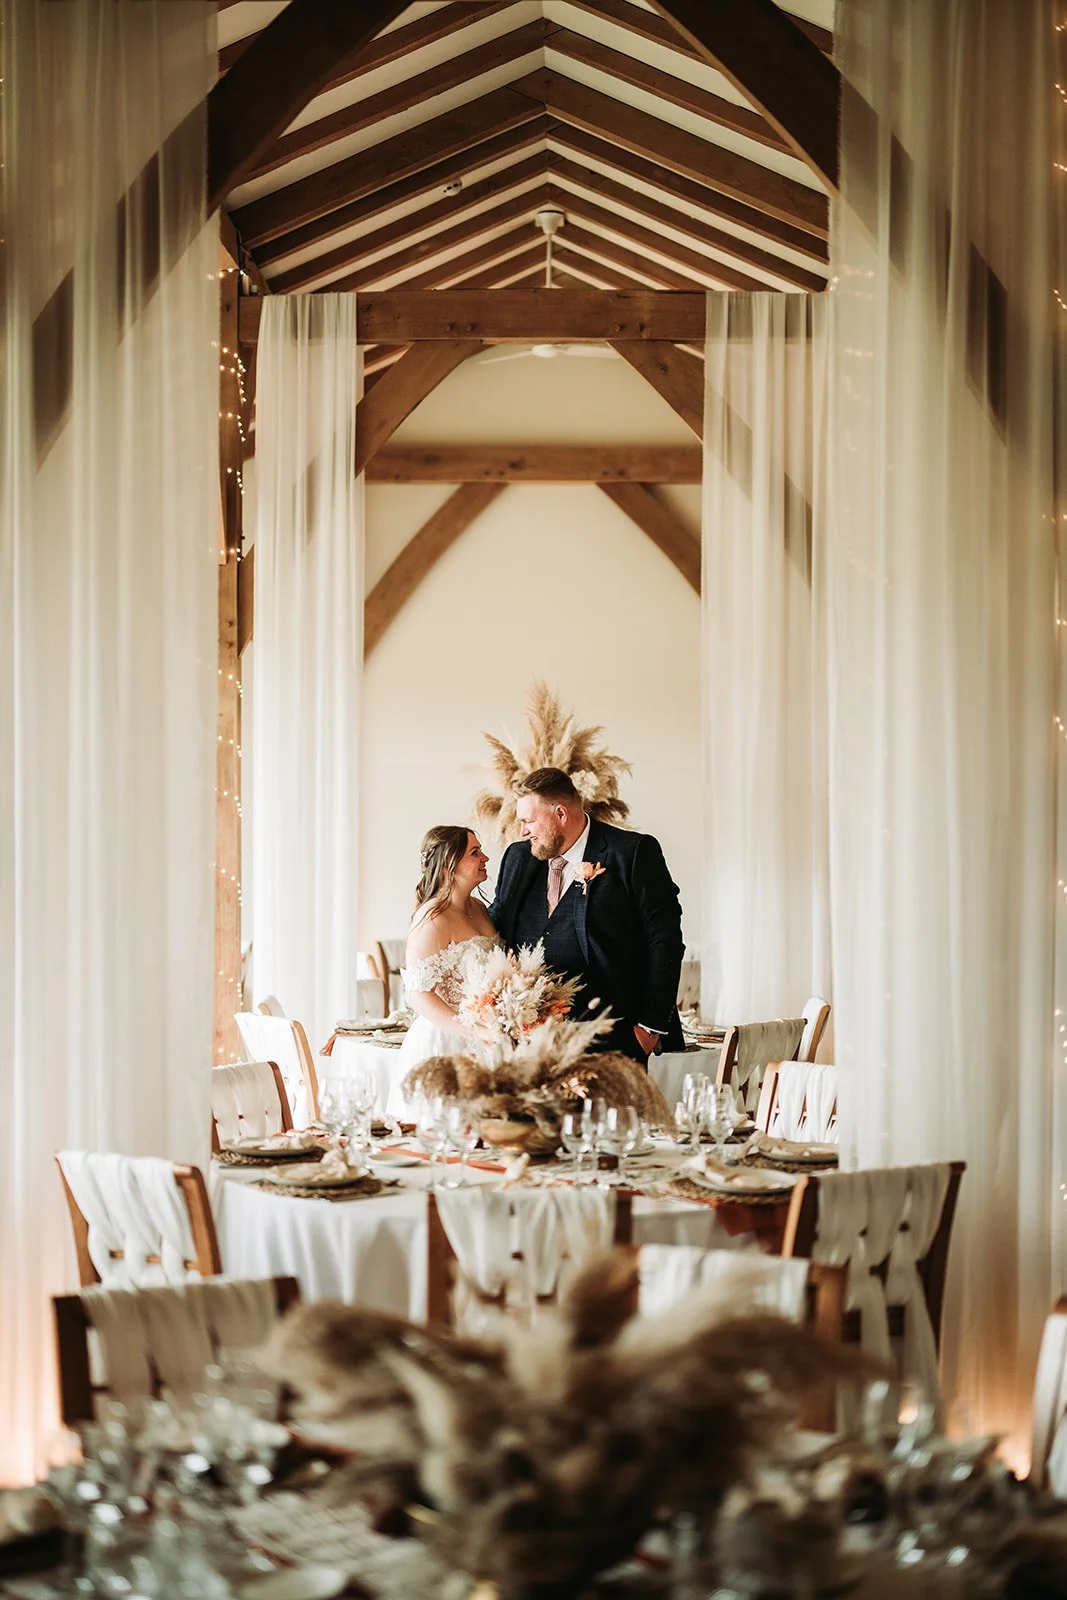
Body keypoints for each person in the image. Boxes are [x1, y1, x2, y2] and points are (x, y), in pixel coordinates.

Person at [489, 768, 684, 1064]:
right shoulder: (518, 857)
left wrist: (648, 1029)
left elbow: (665, 941)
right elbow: (494, 927)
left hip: (612, 1037)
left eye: (529, 821)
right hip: (526, 1044)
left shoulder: (631, 853)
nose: (523, 831)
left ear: (560, 814)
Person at [388, 825, 499, 1116]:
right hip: (447, 1041)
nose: (485, 857)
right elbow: (417, 994)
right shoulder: (433, 917)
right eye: (475, 853)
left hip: (488, 1036)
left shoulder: (478, 908)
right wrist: (471, 1030)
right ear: (450, 865)